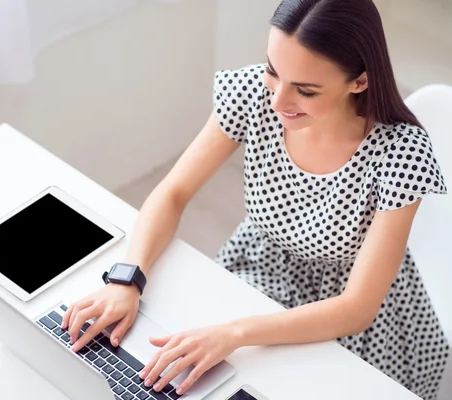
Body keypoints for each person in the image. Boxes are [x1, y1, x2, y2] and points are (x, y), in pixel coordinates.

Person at [62, 0, 449, 398]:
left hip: (350, 317)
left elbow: (356, 309)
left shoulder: (402, 155)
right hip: (258, 268)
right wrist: (128, 279)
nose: (278, 101)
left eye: (306, 90)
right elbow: (174, 192)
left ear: (360, 81)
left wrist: (234, 334)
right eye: (273, 71)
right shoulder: (251, 94)